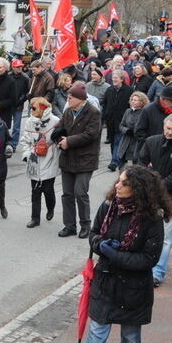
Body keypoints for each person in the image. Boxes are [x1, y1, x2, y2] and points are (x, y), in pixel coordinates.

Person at [61, 166, 171, 343]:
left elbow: (148, 260)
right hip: (105, 281)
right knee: (97, 333)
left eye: (124, 183)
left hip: (133, 288)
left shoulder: (152, 219)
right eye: (118, 181)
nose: (117, 186)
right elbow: (93, 234)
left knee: (130, 333)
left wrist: (114, 254)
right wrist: (100, 245)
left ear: (139, 190)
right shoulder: (108, 206)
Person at [138, 113, 172, 287]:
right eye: (168, 128)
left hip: (171, 199)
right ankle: (142, 266)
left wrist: (157, 185)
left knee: (166, 239)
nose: (170, 132)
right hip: (148, 197)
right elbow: (140, 162)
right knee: (143, 233)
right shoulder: (151, 141)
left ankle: (157, 272)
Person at [57, 82, 102, 239]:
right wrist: (55, 135)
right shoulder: (68, 111)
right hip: (68, 159)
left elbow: (91, 134)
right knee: (67, 194)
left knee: (80, 192)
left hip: (85, 160)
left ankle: (85, 225)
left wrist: (69, 141)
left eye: (71, 97)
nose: (68, 99)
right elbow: (60, 126)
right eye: (68, 96)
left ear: (81, 99)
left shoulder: (93, 113)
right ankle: (69, 226)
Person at [20, 97, 61, 228]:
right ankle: (35, 218)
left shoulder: (55, 122)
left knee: (48, 189)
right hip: (34, 159)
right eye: (30, 107)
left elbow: (59, 141)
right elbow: (25, 140)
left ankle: (50, 208)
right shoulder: (29, 122)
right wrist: (27, 155)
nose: (31, 110)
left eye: (33, 108)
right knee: (35, 190)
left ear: (42, 108)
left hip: (49, 159)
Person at [103, 70, 133, 170]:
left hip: (122, 120)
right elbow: (105, 104)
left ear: (121, 79)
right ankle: (118, 159)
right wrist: (105, 117)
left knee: (119, 141)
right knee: (113, 142)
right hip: (111, 121)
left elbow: (131, 106)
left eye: (116, 77)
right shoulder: (109, 90)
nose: (114, 79)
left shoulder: (129, 90)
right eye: (113, 77)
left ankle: (114, 162)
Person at [117, 91, 149, 166]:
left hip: (136, 142)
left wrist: (135, 132)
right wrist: (126, 130)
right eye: (132, 100)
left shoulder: (144, 112)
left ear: (142, 102)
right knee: (121, 164)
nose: (133, 102)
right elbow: (121, 125)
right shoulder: (127, 111)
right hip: (125, 140)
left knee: (135, 164)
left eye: (135, 100)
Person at [8, 59, 30, 146]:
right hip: (9, 104)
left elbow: (27, 92)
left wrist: (22, 99)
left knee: (16, 127)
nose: (20, 68)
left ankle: (13, 144)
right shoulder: (8, 76)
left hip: (19, 105)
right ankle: (6, 142)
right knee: (5, 125)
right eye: (17, 67)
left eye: (20, 66)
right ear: (13, 67)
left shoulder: (25, 78)